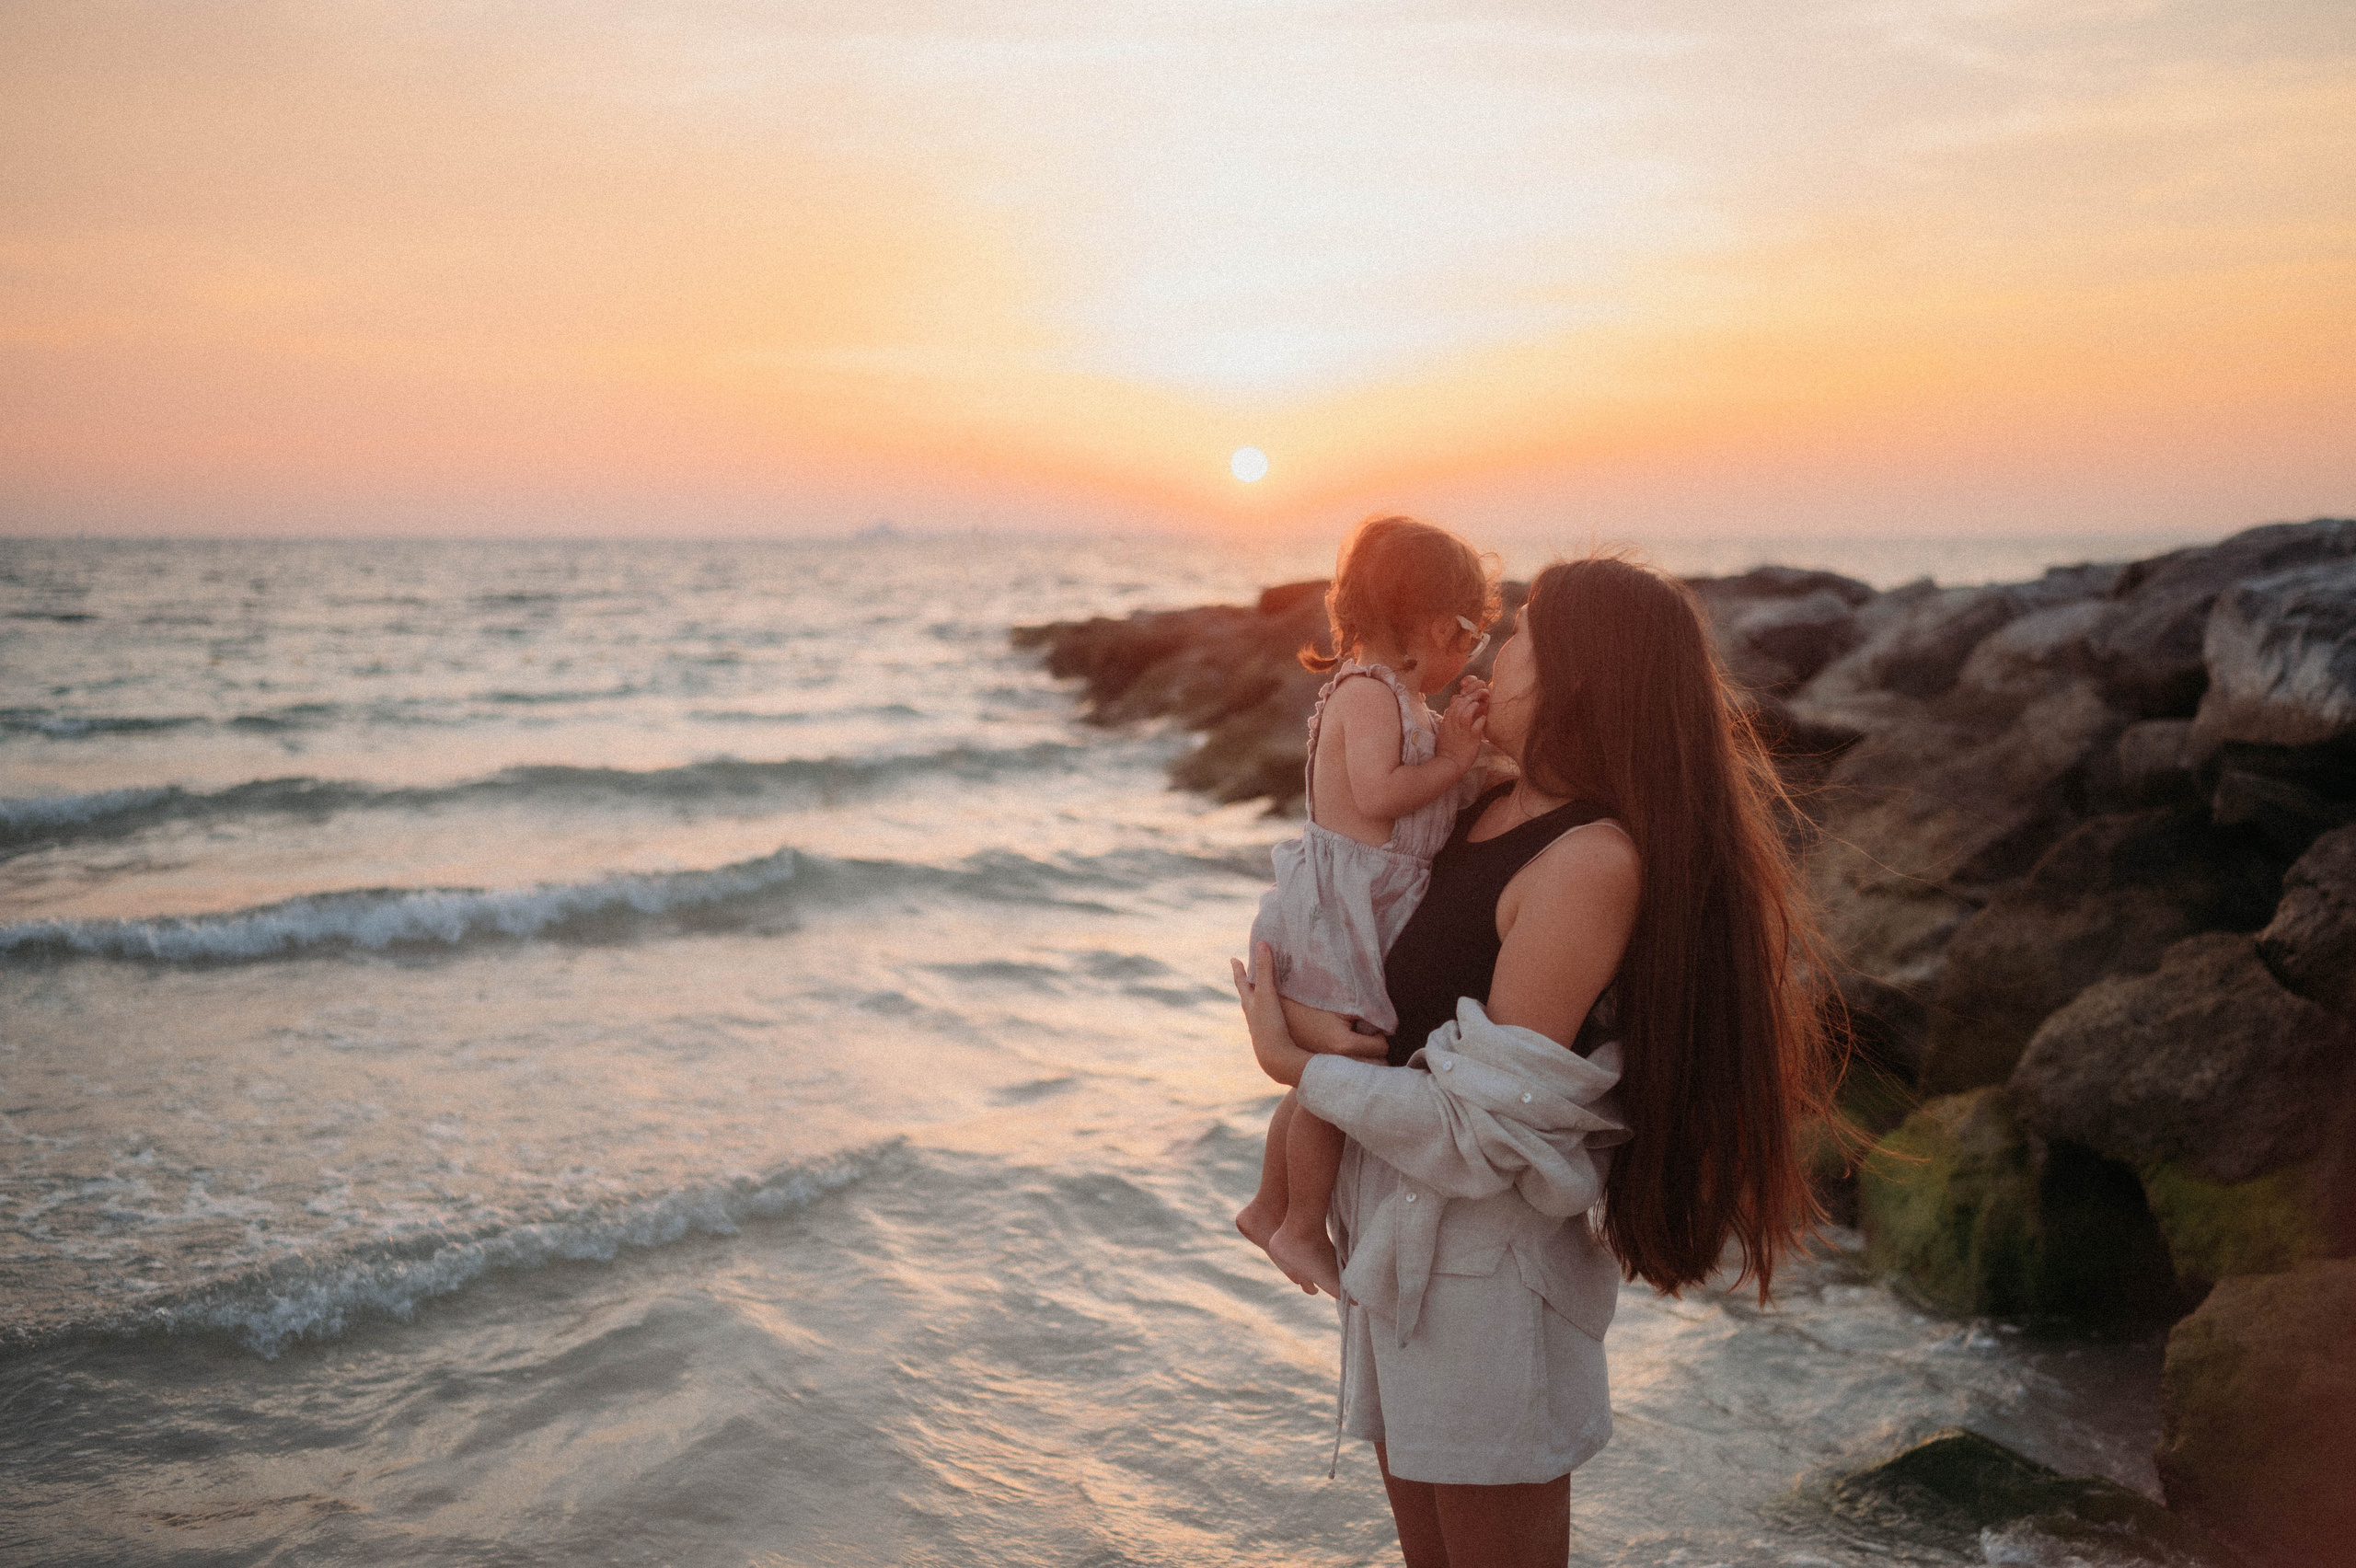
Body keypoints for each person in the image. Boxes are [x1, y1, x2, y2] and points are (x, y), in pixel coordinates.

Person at [1232, 555, 1843, 1568]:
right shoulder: (1481, 810)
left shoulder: (1589, 862)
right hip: (1401, 1251)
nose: (1495, 651)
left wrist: (1296, 1070)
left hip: (1484, 1280)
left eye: (1519, 636)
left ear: (1575, 680)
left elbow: (1486, 1130)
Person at [1234, 516, 1499, 1299]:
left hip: (1369, 899)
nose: (1471, 652)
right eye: (1469, 635)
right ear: (1425, 627)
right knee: (1337, 1069)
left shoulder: (1400, 698)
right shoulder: (1368, 693)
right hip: (1347, 905)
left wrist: (1462, 746)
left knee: (1325, 1069)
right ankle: (1298, 1224)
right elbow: (1382, 797)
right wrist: (1453, 758)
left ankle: (1266, 1206)